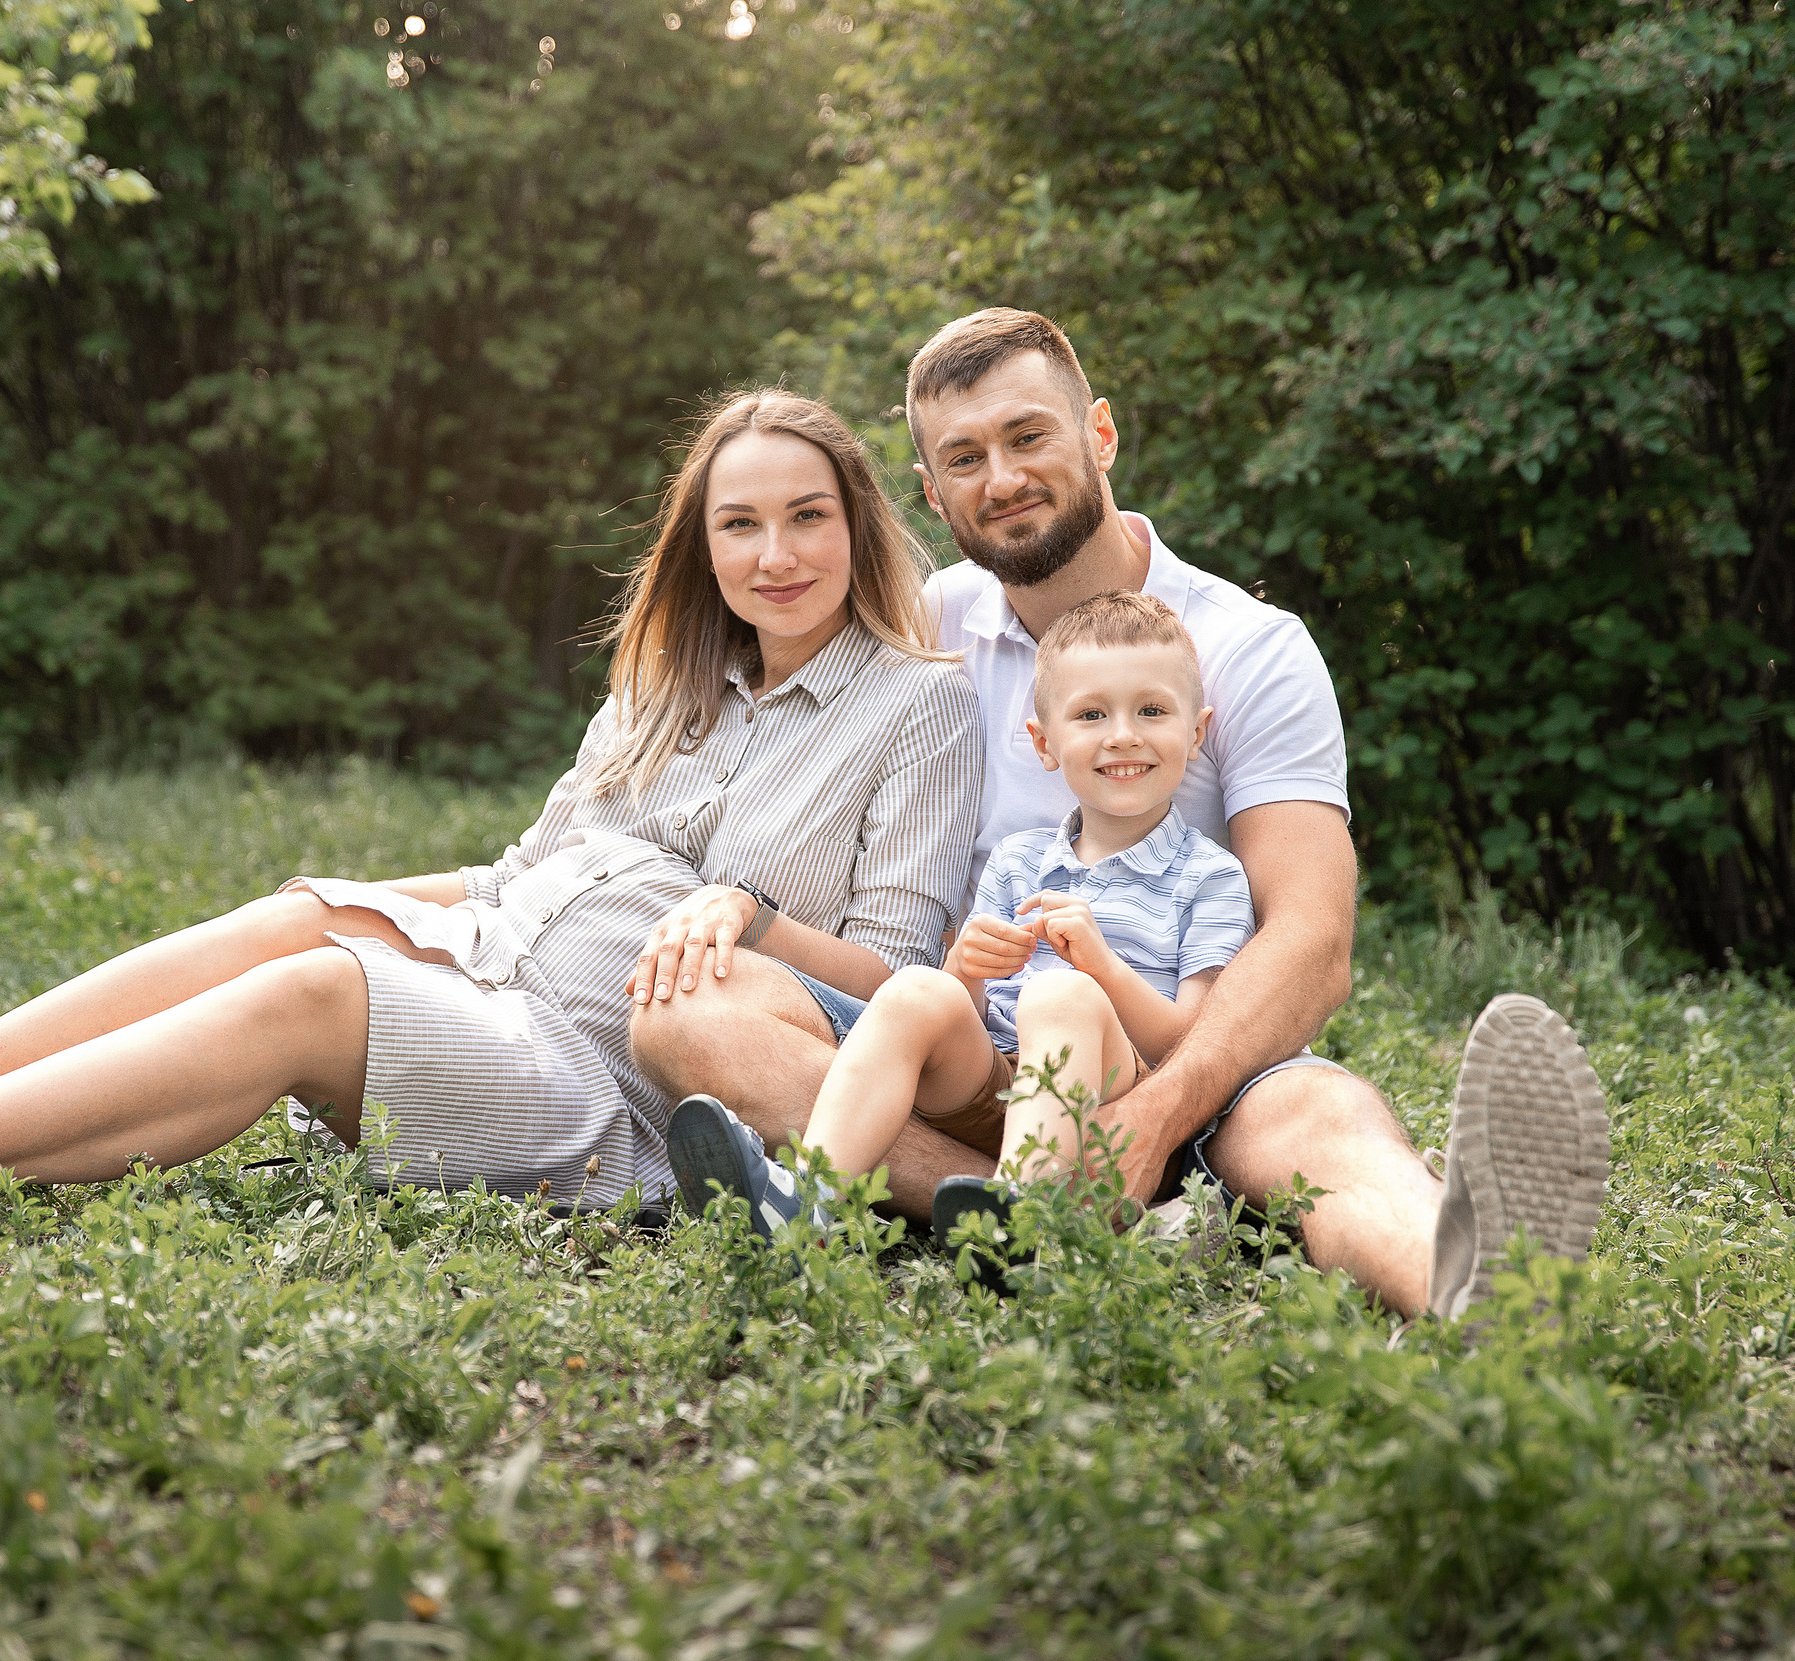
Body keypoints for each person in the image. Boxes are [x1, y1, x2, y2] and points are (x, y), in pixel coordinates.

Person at [0, 391, 983, 1228]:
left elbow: (898, 987)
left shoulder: (916, 702)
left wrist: (750, 908)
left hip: (610, 1076)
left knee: (311, 992)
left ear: (858, 523)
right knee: (300, 911)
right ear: (703, 542)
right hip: (508, 955)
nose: (776, 552)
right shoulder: (669, 678)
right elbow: (536, 862)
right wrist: (372, 895)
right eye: (741, 523)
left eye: (808, 516)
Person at [631, 310, 1611, 1320]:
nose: (1000, 477)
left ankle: (1485, 1289)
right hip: (978, 1060)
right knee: (690, 1010)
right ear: (931, 491)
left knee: (1326, 1124)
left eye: (1027, 436)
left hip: (1196, 1069)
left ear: (1098, 435)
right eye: (963, 457)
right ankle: (1037, 1216)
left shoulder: (1247, 648)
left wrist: (1155, 1110)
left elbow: (1311, 940)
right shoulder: (924, 626)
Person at [668, 589, 1252, 1239]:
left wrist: (1103, 968)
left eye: (1151, 709)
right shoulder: (1016, 861)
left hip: (1123, 1111)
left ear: (1195, 731)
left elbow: (1191, 1045)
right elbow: (973, 1013)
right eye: (1090, 714)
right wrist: (965, 971)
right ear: (1045, 741)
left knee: (1059, 994)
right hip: (1001, 1092)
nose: (1122, 734)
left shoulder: (1210, 877)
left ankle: (1025, 1219)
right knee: (922, 987)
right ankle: (808, 1198)